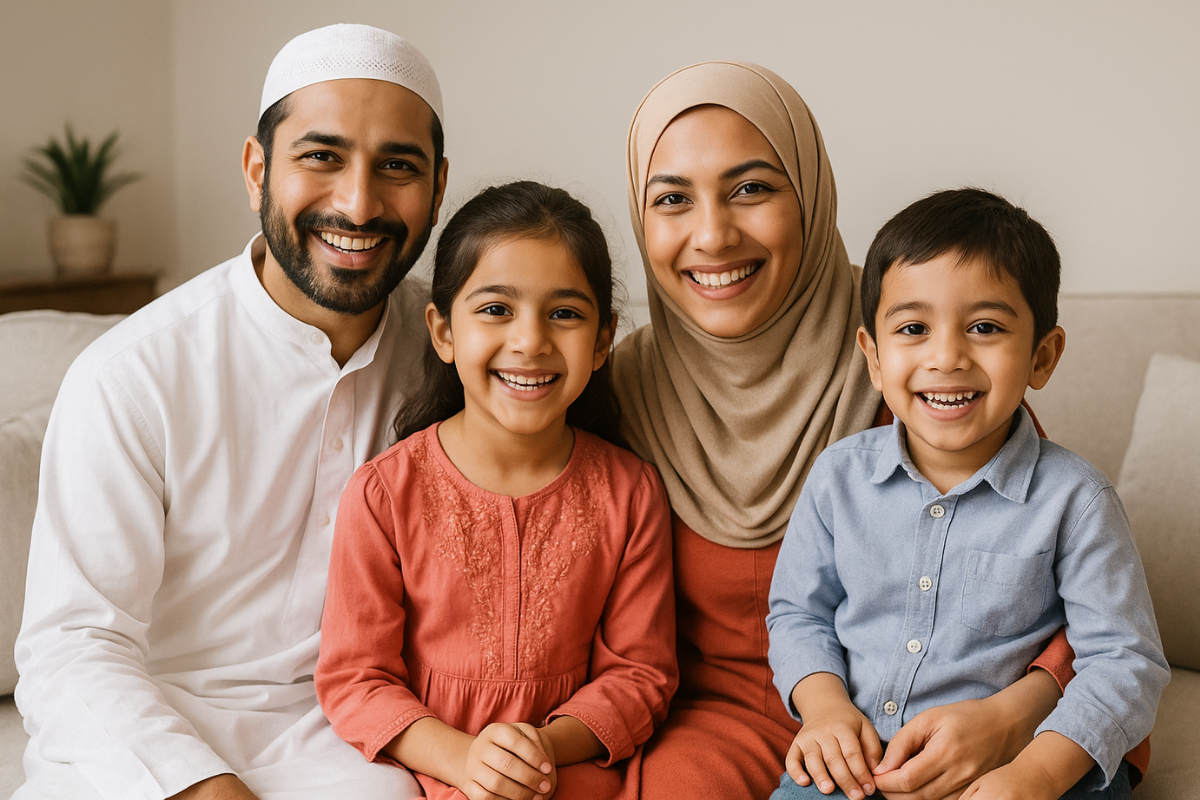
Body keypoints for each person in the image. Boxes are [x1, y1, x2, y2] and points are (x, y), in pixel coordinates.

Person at [611, 61, 1094, 800]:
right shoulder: (614, 389)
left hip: (937, 718)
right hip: (718, 720)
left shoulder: (924, 360)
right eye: (671, 199)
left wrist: (1010, 717)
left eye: (751, 188)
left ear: (809, 194)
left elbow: (1052, 584)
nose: (712, 233)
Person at [14, 24, 448, 800]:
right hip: (140, 741)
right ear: (257, 170)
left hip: (347, 740)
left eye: (397, 166)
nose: (357, 201)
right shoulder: (133, 374)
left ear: (439, 189)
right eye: (321, 156)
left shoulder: (454, 357)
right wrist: (208, 787)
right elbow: (74, 647)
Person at [765, 188, 1169, 800]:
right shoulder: (835, 479)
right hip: (865, 759)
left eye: (984, 327)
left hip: (1022, 763)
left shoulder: (1076, 500)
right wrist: (824, 710)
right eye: (913, 328)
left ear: (1042, 355)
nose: (946, 356)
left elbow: (1124, 662)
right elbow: (799, 614)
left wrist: (1033, 776)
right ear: (872, 357)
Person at [314, 180, 677, 800]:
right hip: (433, 770)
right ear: (443, 331)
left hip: (570, 770)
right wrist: (465, 759)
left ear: (603, 338)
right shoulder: (383, 494)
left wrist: (539, 748)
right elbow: (356, 678)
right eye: (495, 309)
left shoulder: (630, 492)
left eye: (564, 313)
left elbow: (640, 673)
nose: (530, 341)